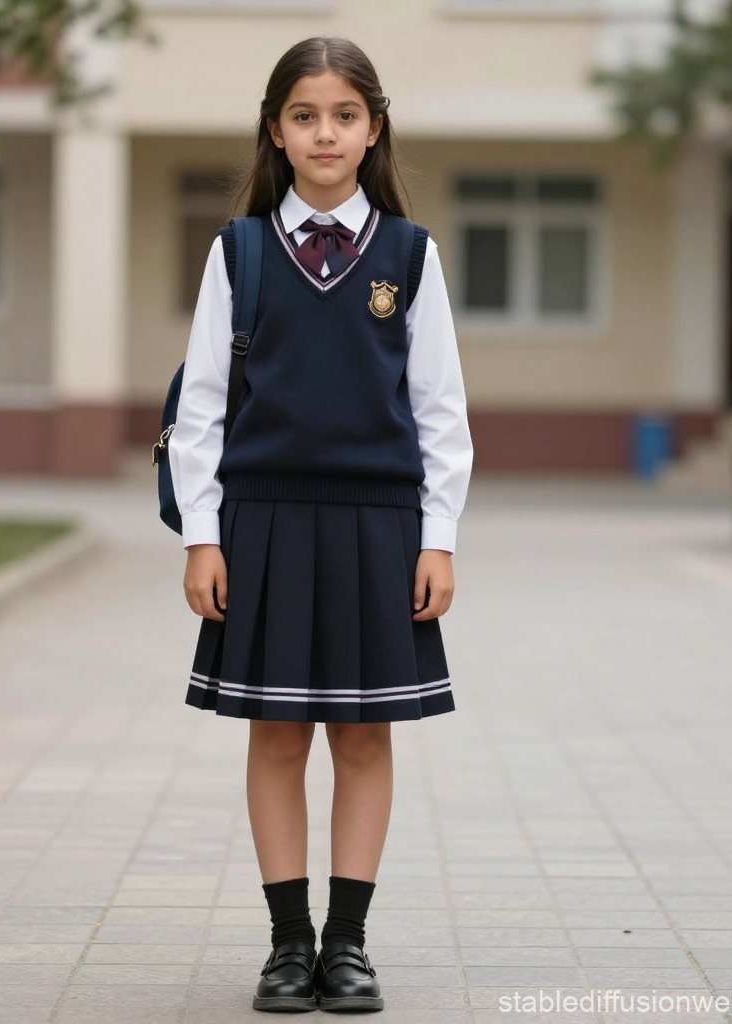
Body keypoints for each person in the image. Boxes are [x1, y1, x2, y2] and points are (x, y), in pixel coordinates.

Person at [169, 35, 473, 1014]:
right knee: (272, 737)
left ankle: (347, 944)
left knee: (365, 739)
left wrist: (439, 536)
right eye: (304, 115)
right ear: (276, 130)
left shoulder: (409, 256)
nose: (325, 132)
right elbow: (202, 408)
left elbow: (440, 411)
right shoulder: (240, 251)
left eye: (344, 114)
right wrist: (202, 535)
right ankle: (285, 942)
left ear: (373, 128)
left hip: (379, 524)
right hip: (261, 523)